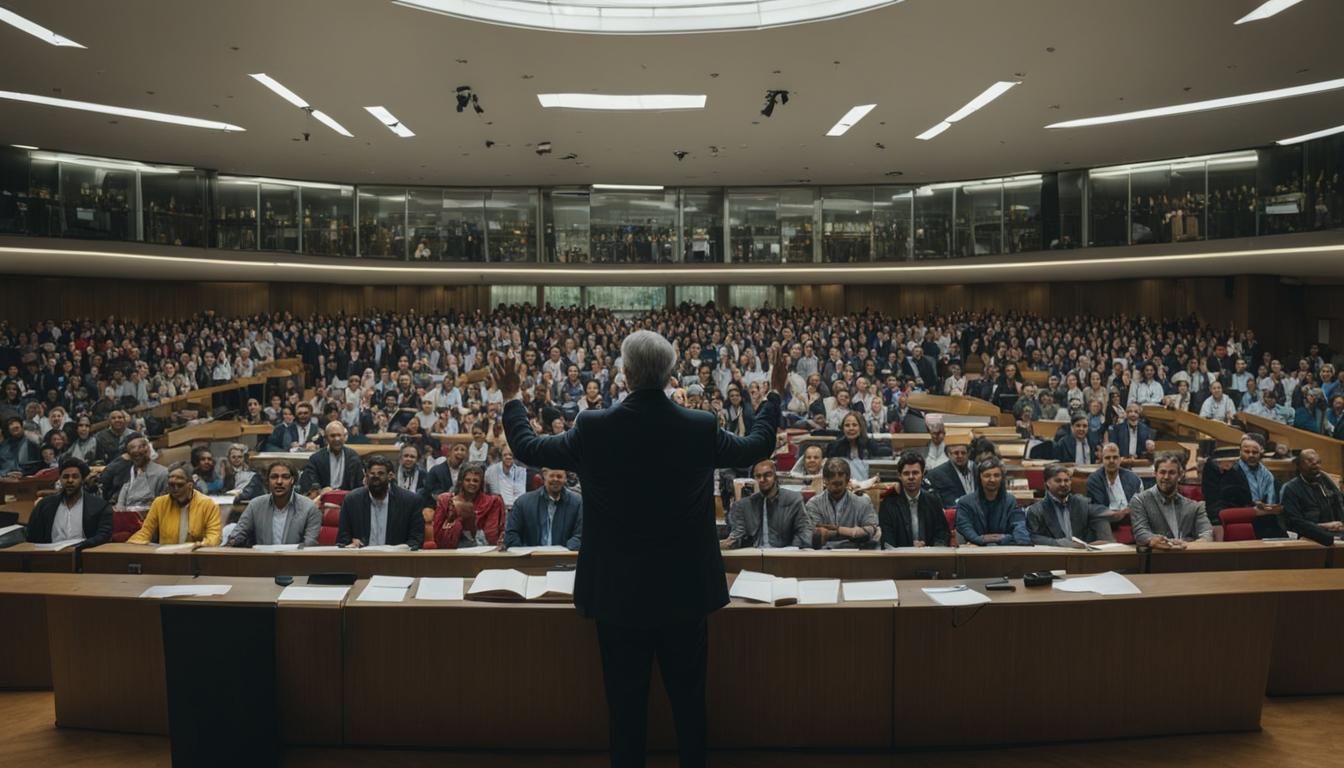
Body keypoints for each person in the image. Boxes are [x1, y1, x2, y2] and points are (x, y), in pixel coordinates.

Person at [499, 331, 784, 768]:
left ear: (626, 373)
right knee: (690, 707)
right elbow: (759, 445)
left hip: (617, 597)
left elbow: (527, 447)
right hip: (684, 595)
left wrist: (512, 396)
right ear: (670, 374)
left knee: (626, 712)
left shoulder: (593, 427)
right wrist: (775, 394)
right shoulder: (699, 426)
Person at [336, 455, 426, 549]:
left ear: (390, 476)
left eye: (381, 473)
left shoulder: (410, 501)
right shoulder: (352, 501)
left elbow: (416, 540)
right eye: (372, 474)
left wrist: (400, 549)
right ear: (366, 476)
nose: (376, 478)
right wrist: (351, 544)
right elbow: (343, 539)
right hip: (361, 559)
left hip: (395, 560)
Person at [226, 461, 321, 547]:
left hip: (296, 562)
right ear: (267, 481)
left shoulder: (309, 507)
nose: (279, 482)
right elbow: (238, 534)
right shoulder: (255, 505)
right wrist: (231, 542)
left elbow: (310, 544)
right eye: (274, 477)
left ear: (293, 480)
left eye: (285, 477)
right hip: (263, 562)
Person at [25, 457, 112, 549]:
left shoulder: (99, 506)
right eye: (65, 477)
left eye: (75, 477)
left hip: (83, 555)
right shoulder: (44, 505)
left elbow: (104, 536)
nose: (70, 480)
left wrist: (80, 547)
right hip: (50, 556)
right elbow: (32, 536)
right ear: (60, 479)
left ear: (82, 480)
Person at [1129, 453, 1212, 548]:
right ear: (1155, 473)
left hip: (1188, 557)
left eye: (1171, 473)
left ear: (1180, 474)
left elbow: (1207, 533)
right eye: (1162, 472)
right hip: (1156, 558)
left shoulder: (1195, 506)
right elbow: (1141, 534)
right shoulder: (1139, 501)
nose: (1166, 477)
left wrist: (1187, 545)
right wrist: (1156, 541)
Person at [722, 459, 810, 549]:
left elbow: (804, 532)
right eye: (758, 476)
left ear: (776, 477)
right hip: (754, 556)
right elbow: (736, 537)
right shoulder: (743, 505)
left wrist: (791, 551)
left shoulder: (793, 499)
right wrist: (726, 544)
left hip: (785, 555)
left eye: (767, 475)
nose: (762, 479)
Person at [127, 464, 223, 546]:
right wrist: (130, 545)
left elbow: (214, 536)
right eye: (171, 485)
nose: (175, 488)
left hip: (196, 557)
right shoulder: (159, 503)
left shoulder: (208, 504)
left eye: (180, 485)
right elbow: (145, 532)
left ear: (190, 485)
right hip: (167, 558)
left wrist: (200, 545)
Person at [1025, 463, 1114, 547]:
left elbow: (1100, 517)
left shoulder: (1082, 503)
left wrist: (1105, 541)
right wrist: (1062, 544)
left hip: (1083, 557)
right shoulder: (1036, 510)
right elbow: (1033, 538)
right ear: (1047, 483)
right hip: (1054, 558)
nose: (1063, 484)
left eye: (1066, 480)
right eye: (1058, 481)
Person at [877, 451, 950, 548]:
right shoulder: (888, 503)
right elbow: (887, 540)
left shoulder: (933, 500)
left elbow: (942, 533)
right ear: (900, 476)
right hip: (900, 559)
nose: (911, 477)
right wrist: (910, 548)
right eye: (906, 473)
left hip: (930, 557)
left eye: (915, 473)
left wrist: (932, 550)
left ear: (923, 474)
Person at [1219, 433, 1286, 537]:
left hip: (1269, 521)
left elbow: (1278, 500)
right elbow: (1227, 506)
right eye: (1246, 452)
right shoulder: (1230, 473)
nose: (1251, 455)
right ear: (1240, 452)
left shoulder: (1268, 475)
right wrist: (1253, 506)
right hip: (1244, 523)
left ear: (1261, 452)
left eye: (1255, 452)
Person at [804, 457, 880, 548]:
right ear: (825, 481)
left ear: (847, 480)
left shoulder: (863, 502)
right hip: (824, 554)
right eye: (833, 483)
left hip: (856, 554)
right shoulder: (813, 504)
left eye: (840, 483)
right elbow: (816, 535)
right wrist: (853, 532)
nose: (837, 487)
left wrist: (834, 531)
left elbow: (871, 531)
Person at [501, 467, 583, 549]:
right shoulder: (522, 502)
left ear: (565, 478)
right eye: (552, 476)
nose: (555, 479)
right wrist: (528, 556)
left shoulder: (577, 503)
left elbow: (581, 535)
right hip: (531, 559)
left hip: (564, 559)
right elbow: (511, 534)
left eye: (559, 476)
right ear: (544, 475)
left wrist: (563, 553)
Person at [954, 457, 1030, 546]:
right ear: (980, 478)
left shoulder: (1010, 501)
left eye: (996, 475)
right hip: (975, 548)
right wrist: (981, 539)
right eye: (987, 475)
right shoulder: (965, 502)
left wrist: (1010, 540)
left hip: (1003, 549)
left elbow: (1019, 526)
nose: (992, 480)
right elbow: (965, 528)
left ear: (1002, 478)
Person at [432, 462, 505, 548]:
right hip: (452, 551)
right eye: (467, 480)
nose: (472, 483)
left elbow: (491, 534)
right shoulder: (446, 501)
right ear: (461, 481)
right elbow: (437, 534)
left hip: (483, 550)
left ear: (481, 483)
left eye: (475, 480)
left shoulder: (492, 502)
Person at [1281, 449, 1344, 546]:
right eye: (1310, 461)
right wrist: (1322, 527)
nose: (1315, 464)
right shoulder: (1291, 488)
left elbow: (1339, 504)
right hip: (1309, 536)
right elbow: (1294, 522)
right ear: (1300, 464)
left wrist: (1341, 523)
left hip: (1335, 533)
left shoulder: (1325, 481)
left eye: (1318, 462)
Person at [298, 421, 364, 498]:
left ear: (344, 437)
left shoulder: (354, 457)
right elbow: (310, 483)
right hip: (323, 499)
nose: (337, 439)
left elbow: (359, 485)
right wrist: (320, 490)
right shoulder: (316, 458)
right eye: (332, 436)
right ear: (326, 438)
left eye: (339, 435)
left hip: (348, 500)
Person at [105, 433, 168, 510]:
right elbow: (121, 502)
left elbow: (163, 505)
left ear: (147, 451)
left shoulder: (162, 473)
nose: (137, 458)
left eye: (140, 454)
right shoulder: (129, 472)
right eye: (134, 455)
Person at [1086, 443, 1142, 519]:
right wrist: (1116, 514)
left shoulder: (1133, 478)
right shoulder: (1094, 480)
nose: (1111, 461)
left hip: (1131, 519)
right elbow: (1097, 508)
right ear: (1102, 460)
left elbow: (1140, 505)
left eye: (1115, 457)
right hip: (1106, 521)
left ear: (1120, 460)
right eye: (1107, 458)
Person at [926, 440, 976, 508]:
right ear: (948, 454)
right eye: (956, 453)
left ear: (968, 454)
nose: (960, 456)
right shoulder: (937, 474)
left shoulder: (977, 469)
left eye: (963, 453)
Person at [484, 445, 528, 511]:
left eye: (510, 455)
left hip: (517, 509)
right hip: (497, 508)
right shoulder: (491, 471)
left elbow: (521, 493)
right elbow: (486, 489)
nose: (508, 457)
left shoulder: (521, 471)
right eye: (505, 455)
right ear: (501, 456)